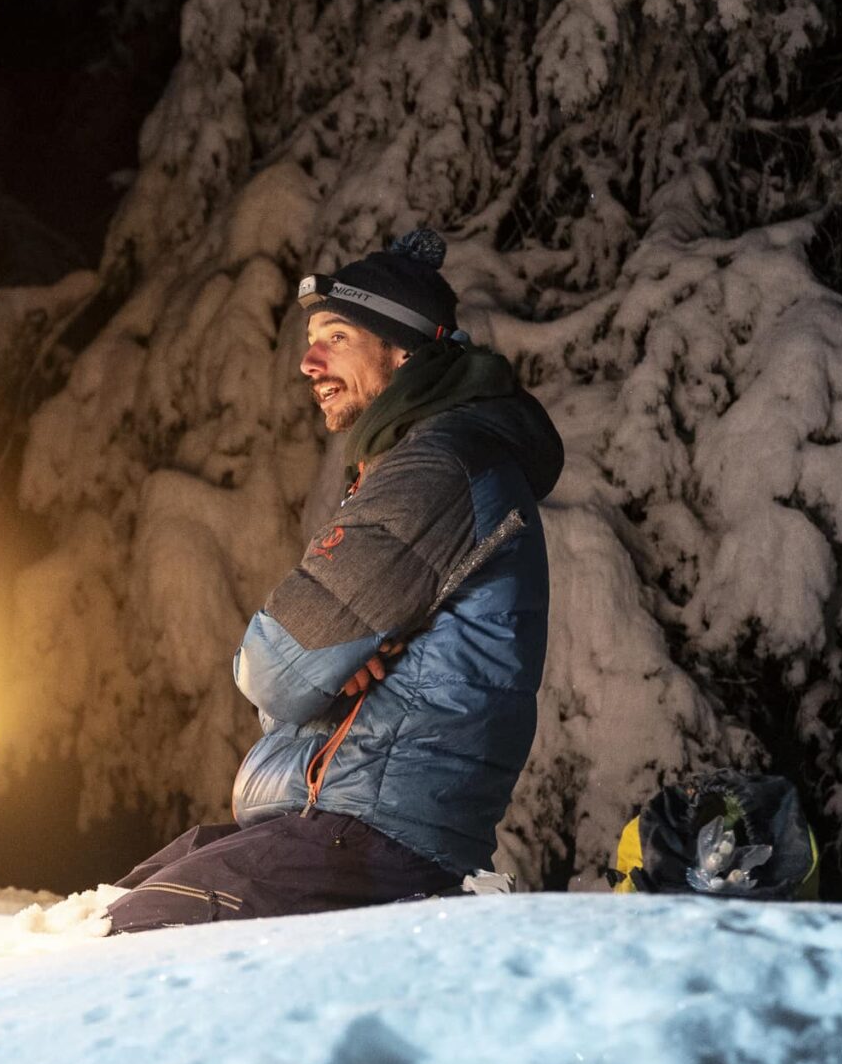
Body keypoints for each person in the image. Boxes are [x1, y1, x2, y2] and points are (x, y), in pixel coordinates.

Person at [106, 227, 564, 933]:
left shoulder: (437, 469)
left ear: (404, 349)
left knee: (134, 936)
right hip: (341, 821)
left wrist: (322, 669)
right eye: (311, 337)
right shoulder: (415, 462)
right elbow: (294, 676)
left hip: (375, 835)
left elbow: (273, 673)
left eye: (337, 336)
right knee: (106, 908)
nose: (307, 361)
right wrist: (333, 663)